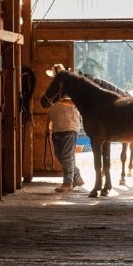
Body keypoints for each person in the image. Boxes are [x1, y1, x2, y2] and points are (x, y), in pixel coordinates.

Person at [45, 64, 84, 193]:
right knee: (59, 155)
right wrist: (48, 125)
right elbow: (50, 109)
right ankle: (77, 177)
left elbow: (74, 101)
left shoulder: (71, 87)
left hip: (69, 125)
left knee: (66, 156)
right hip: (57, 126)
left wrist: (57, 100)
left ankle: (68, 183)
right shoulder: (54, 88)